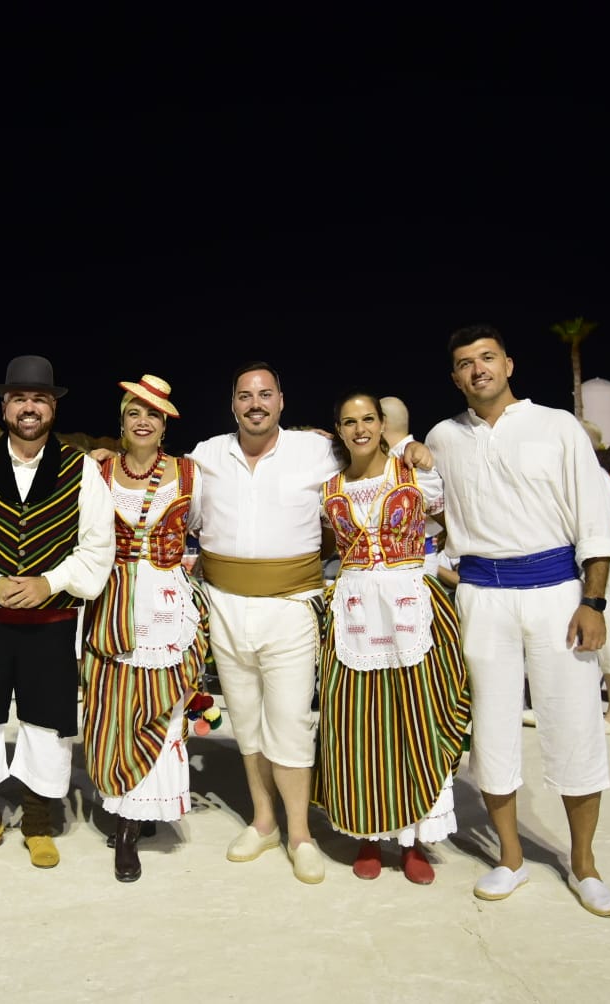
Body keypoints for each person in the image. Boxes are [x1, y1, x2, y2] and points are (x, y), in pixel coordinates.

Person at [188, 361, 431, 885]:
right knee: (246, 721)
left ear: (281, 401)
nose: (256, 402)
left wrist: (409, 446)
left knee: (292, 722)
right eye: (245, 394)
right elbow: (162, 483)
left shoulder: (317, 451)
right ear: (232, 403)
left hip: (293, 606)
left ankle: (301, 833)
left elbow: (373, 458)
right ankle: (264, 822)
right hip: (225, 605)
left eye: (266, 393)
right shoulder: (206, 455)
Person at [426, 324, 610, 918]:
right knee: (491, 729)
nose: (477, 369)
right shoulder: (442, 438)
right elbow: (425, 515)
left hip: (556, 594)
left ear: (508, 364)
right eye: (464, 362)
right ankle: (510, 858)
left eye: (487, 358)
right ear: (455, 375)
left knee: (574, 726)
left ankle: (583, 865)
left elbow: (595, 518)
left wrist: (594, 602)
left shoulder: (556, 425)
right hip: (482, 597)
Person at [0, 355, 115, 870]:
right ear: (5, 406)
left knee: (46, 722)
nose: (29, 407)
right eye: (19, 399)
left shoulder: (81, 468)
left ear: (52, 407)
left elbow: (97, 546)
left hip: (51, 624)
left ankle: (38, 821)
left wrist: (50, 582)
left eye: (38, 399)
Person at [312, 391, 469, 885]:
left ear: (383, 425)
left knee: (414, 719)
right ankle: (367, 835)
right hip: (355, 610)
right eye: (349, 421)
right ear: (338, 430)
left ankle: (414, 836)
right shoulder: (329, 489)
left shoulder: (416, 473)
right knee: (357, 725)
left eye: (367, 420)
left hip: (410, 607)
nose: (359, 429)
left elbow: (450, 527)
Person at [80, 374, 210, 882]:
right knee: (113, 707)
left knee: (161, 704)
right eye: (135, 411)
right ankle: (127, 809)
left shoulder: (189, 474)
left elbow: (201, 529)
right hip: (112, 604)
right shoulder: (98, 470)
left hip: (166, 605)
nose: (143, 421)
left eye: (153, 414)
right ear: (122, 419)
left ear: (165, 425)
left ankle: (136, 820)